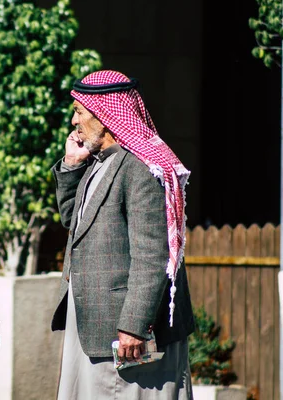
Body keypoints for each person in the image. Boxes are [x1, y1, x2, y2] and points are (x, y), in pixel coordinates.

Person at [51, 70, 195, 399]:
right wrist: (72, 166)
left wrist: (134, 323)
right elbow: (75, 223)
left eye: (79, 112)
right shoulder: (99, 161)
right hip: (96, 325)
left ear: (104, 116)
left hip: (126, 332)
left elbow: (152, 254)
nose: (74, 122)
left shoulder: (140, 169)